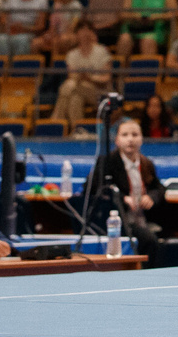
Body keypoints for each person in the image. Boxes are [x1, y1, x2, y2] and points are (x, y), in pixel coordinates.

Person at [94, 118, 166, 262]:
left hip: (143, 219)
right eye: (125, 135)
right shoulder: (108, 162)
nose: (130, 139)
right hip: (119, 222)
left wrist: (151, 197)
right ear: (117, 140)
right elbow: (99, 189)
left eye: (135, 135)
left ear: (141, 139)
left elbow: (159, 189)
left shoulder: (146, 163)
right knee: (149, 240)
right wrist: (122, 198)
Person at [51, 21, 112, 125]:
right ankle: (78, 130)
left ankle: (56, 120)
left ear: (92, 32)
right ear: (76, 34)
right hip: (78, 88)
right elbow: (72, 76)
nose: (84, 33)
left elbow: (106, 78)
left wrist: (89, 78)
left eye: (87, 29)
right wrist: (81, 77)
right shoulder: (72, 54)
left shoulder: (101, 51)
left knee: (70, 86)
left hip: (100, 92)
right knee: (75, 98)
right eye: (81, 30)